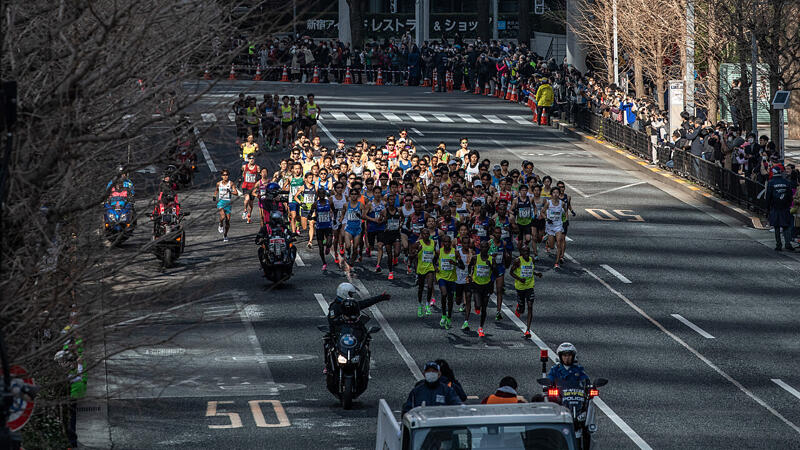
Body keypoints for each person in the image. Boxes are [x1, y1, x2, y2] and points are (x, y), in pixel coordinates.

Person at [508, 245, 542, 339]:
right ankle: (519, 307)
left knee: (530, 306)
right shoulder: (517, 261)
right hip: (520, 287)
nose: (526, 253)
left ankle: (528, 330)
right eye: (524, 252)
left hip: (530, 286)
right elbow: (511, 272)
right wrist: (519, 279)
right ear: (521, 253)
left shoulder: (531, 260)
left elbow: (531, 270)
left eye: (528, 251)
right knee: (522, 310)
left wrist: (537, 274)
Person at [435, 235, 464, 329]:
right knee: (444, 294)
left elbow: (462, 266)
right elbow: (433, 261)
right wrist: (435, 268)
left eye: (448, 242)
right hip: (441, 277)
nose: (447, 244)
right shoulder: (439, 252)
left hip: (452, 279)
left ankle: (449, 317)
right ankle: (443, 315)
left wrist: (454, 263)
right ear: (443, 243)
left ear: (451, 243)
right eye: (445, 242)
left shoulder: (455, 253)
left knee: (450, 299)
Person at [467, 240, 495, 337]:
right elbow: (469, 267)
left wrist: (490, 265)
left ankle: (481, 327)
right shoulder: (475, 258)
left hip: (486, 285)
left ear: (488, 248)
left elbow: (495, 272)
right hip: (477, 284)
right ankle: (476, 306)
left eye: (486, 247)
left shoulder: (491, 259)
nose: (484, 249)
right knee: (478, 305)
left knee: (484, 308)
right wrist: (470, 276)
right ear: (480, 248)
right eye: (482, 247)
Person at [766, 165, 797, 251]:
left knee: (776, 226)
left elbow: (768, 196)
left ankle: (778, 244)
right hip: (785, 207)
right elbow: (790, 195)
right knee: (786, 226)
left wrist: (767, 207)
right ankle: (788, 243)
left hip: (775, 207)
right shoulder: (786, 182)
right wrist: (788, 204)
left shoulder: (771, 182)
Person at [410, 227, 437, 317]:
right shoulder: (418, 244)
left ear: (429, 235)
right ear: (421, 235)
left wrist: (436, 265)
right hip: (421, 268)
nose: (426, 235)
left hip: (430, 268)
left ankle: (427, 304)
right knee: (421, 288)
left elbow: (435, 255)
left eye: (427, 234)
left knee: (430, 286)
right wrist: (418, 251)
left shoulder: (433, 242)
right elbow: (411, 256)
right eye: (424, 234)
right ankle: (420, 304)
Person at [310, 189, 335, 271]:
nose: (321, 195)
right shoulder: (315, 204)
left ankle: (328, 247)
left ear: (325, 194)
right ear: (317, 194)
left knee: (329, 243)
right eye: (319, 193)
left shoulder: (329, 202)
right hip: (319, 227)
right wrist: (313, 218)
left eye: (322, 193)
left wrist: (334, 219)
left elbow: (334, 211)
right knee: (320, 248)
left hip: (328, 226)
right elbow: (309, 215)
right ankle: (324, 263)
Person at [213, 169, 239, 242]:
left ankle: (225, 235)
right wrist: (214, 196)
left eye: (226, 175)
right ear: (221, 176)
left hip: (228, 202)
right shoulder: (218, 183)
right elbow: (216, 190)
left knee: (227, 221)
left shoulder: (231, 183)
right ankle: (220, 224)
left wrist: (230, 191)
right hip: (221, 202)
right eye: (224, 175)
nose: (225, 176)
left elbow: (236, 193)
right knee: (223, 216)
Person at [241, 154, 260, 223]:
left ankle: (249, 216)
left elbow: (259, 177)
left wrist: (258, 186)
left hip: (253, 187)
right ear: (248, 159)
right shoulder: (244, 166)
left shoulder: (257, 167)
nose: (251, 160)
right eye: (250, 158)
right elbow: (241, 173)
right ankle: (245, 210)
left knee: (251, 204)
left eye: (253, 158)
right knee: (247, 198)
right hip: (245, 186)